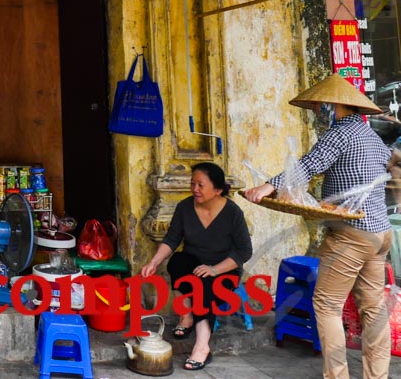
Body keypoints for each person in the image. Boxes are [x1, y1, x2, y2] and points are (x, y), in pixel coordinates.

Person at [245, 74, 392, 379]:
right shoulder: (372, 137)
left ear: (333, 104)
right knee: (374, 310)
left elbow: (308, 166)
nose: (314, 110)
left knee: (326, 305)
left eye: (317, 105)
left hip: (351, 235)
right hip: (380, 234)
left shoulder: (340, 134)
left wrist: (267, 187)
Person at [139, 162, 252, 372]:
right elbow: (172, 239)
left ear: (218, 189)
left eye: (200, 185)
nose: (194, 189)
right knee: (177, 262)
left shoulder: (233, 213)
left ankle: (202, 345)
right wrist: (154, 262)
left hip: (224, 270)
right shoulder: (185, 207)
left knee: (205, 284)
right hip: (194, 264)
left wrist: (215, 269)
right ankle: (187, 315)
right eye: (192, 184)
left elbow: (244, 252)